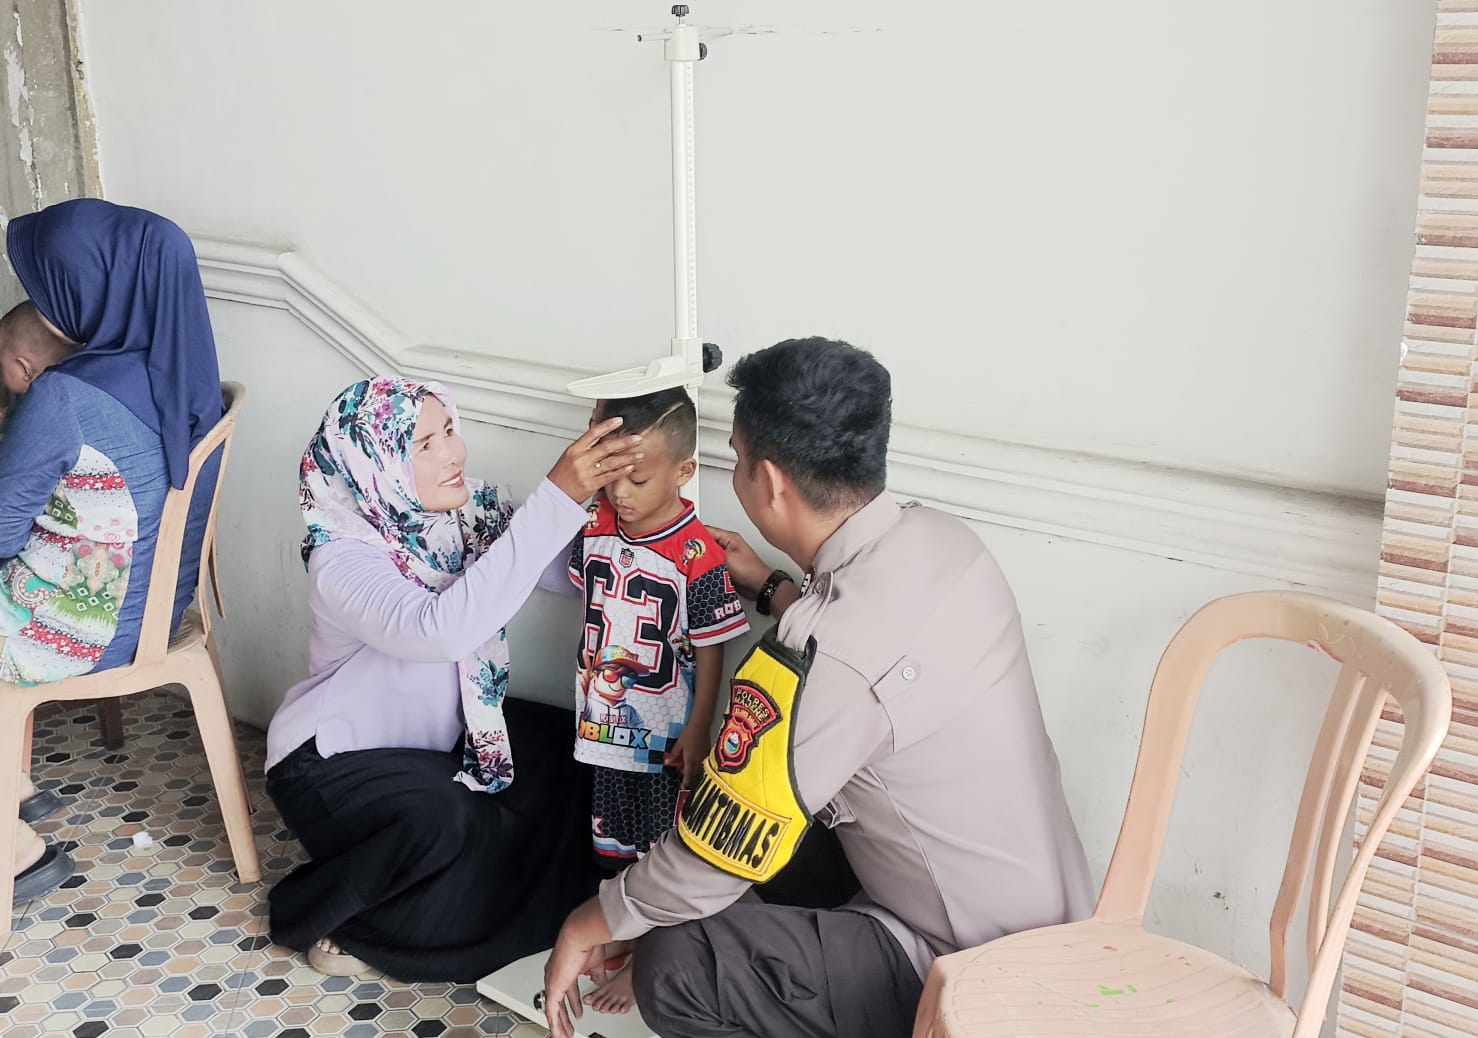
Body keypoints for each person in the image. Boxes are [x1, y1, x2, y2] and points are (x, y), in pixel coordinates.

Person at [543, 337, 1094, 1038]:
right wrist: (775, 587)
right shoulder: (945, 542)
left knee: (676, 959)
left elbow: (723, 845)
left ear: (771, 482)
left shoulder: (819, 657)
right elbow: (870, 654)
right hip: (1046, 916)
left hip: (968, 969)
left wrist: (592, 921)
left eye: (736, 459)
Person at [263, 375, 645, 983]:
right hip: (328, 763)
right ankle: (357, 924)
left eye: (448, 431)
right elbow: (439, 630)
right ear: (375, 468)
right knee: (445, 818)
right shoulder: (342, 558)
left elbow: (564, 568)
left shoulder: (467, 516)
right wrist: (558, 495)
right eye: (424, 445)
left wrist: (667, 533)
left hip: (436, 741)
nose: (454, 452)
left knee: (577, 750)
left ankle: (587, 915)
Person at [0, 199, 224, 903]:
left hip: (77, 632)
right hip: (154, 613)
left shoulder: (65, 398)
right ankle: (14, 784)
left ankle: (18, 852)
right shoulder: (185, 377)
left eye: (52, 281)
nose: (42, 296)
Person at [566, 388, 749, 1012]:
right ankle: (618, 933)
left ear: (684, 471)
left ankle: (650, 957)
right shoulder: (595, 524)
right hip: (603, 726)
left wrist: (699, 727)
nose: (621, 492)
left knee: (659, 847)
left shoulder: (697, 554)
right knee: (614, 842)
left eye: (638, 479)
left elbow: (713, 647)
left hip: (665, 736)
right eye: (612, 475)